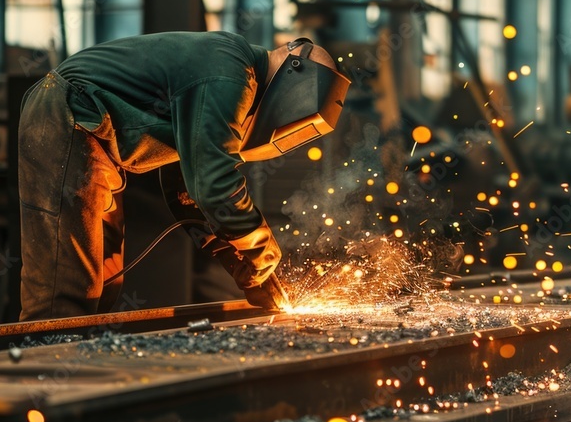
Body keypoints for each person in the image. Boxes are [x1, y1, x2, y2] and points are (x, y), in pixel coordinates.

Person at [17, 31, 348, 320]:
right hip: (67, 112)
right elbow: (213, 185)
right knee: (67, 287)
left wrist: (246, 267)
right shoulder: (232, 74)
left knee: (103, 280)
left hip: (92, 134)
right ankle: (39, 380)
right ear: (293, 73)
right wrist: (263, 250)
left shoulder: (228, 76)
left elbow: (186, 191)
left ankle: (74, 372)